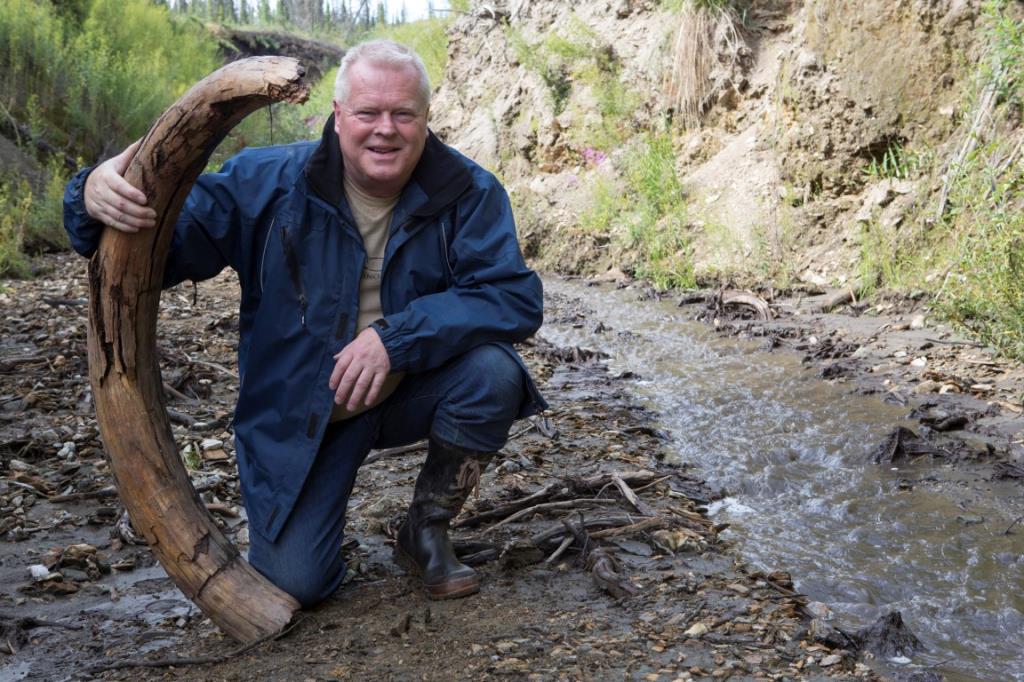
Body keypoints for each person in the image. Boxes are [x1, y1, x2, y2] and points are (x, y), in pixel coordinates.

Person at [63, 39, 546, 607]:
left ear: (425, 118)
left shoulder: (469, 191)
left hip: (407, 391)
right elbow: (158, 246)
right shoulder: (265, 182)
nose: (385, 129)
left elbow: (512, 297)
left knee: (493, 372)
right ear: (337, 117)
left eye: (402, 114)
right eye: (367, 113)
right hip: (299, 417)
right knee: (296, 585)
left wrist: (397, 339)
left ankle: (427, 528)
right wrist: (89, 194)